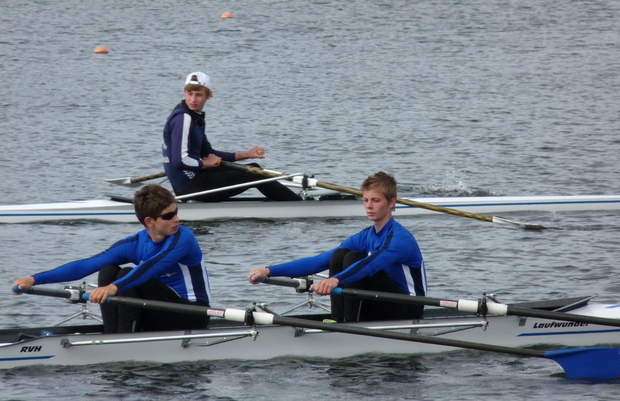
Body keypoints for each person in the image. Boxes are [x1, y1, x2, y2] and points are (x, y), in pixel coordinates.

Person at [13, 185, 211, 334]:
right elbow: (86, 265)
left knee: (125, 274)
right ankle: (113, 334)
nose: (177, 219)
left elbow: (150, 267)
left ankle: (123, 338)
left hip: (192, 315)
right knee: (108, 269)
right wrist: (34, 279)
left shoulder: (184, 238)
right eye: (169, 216)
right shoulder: (134, 243)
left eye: (176, 212)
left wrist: (112, 288)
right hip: (159, 313)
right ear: (149, 221)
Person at [247, 172, 427, 322]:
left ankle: (349, 325)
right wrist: (269, 270)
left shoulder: (400, 238)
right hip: (382, 303)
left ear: (391, 203)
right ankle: (338, 319)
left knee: (354, 259)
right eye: (365, 200)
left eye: (376, 200)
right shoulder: (365, 236)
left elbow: (370, 265)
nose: (369, 206)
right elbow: (320, 261)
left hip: (408, 310)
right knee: (340, 255)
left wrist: (335, 280)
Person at [162, 71, 301, 202]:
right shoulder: (183, 118)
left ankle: (291, 202)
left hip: (195, 178)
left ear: (209, 95)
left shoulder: (194, 117)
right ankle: (297, 205)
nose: (193, 99)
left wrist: (246, 154)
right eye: (189, 93)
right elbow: (179, 161)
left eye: (198, 95)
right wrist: (206, 163)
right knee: (255, 174)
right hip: (191, 187)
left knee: (253, 167)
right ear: (184, 92)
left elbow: (209, 153)